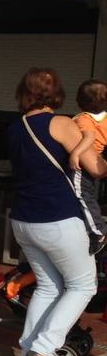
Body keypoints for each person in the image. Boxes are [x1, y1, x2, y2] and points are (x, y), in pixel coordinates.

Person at [7, 68, 107, 356]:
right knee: (83, 286)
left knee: (50, 286)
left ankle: (26, 353)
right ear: (58, 94)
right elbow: (96, 168)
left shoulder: (15, 128)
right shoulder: (62, 123)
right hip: (58, 219)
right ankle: (44, 349)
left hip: (23, 220)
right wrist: (95, 148)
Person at [72, 79, 107, 240]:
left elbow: (89, 137)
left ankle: (97, 231)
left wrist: (76, 153)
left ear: (79, 101)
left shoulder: (84, 119)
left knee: (82, 195)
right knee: (88, 195)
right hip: (98, 159)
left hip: (84, 164)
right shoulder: (105, 119)